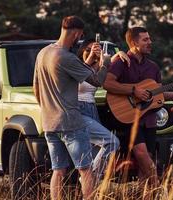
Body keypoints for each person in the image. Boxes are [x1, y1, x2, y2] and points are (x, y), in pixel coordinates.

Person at [33, 16, 111, 200]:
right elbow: (97, 81)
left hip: (49, 123)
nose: (80, 39)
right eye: (80, 36)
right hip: (71, 124)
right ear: (76, 33)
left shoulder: (43, 53)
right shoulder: (66, 57)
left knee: (58, 171)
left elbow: (35, 87)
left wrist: (47, 109)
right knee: (86, 170)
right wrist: (105, 62)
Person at [103, 27, 173, 185]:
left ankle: (146, 195)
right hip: (128, 118)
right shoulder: (121, 62)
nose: (150, 42)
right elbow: (108, 84)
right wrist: (133, 90)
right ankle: (159, 190)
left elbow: (158, 94)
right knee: (141, 152)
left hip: (149, 120)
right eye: (146, 40)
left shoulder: (153, 67)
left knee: (145, 162)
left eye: (150, 39)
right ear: (134, 42)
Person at [76, 39, 130, 180]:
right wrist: (91, 57)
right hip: (79, 110)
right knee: (111, 142)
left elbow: (106, 64)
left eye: (94, 50)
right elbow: (78, 78)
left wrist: (119, 54)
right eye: (88, 50)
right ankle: (90, 178)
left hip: (92, 109)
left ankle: (91, 184)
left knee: (95, 153)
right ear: (82, 51)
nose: (91, 53)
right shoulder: (77, 67)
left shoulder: (95, 69)